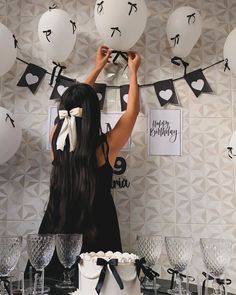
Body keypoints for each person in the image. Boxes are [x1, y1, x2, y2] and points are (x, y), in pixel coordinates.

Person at [30, 45, 141, 280]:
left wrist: (97, 67)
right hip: (99, 238)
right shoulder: (105, 147)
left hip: (55, 232)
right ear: (93, 115)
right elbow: (131, 112)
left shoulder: (54, 140)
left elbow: (76, 103)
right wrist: (133, 72)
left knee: (48, 287)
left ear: (65, 111)